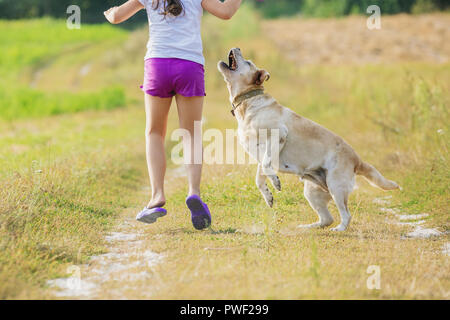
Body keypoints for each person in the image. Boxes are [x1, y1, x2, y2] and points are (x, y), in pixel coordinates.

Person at [104, 0, 242, 230]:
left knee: (155, 132)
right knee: (191, 135)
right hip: (189, 66)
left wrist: (110, 13)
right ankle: (194, 193)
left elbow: (117, 17)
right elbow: (226, 12)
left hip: (158, 64)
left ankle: (157, 195)